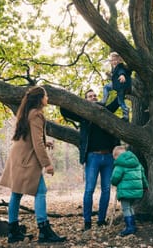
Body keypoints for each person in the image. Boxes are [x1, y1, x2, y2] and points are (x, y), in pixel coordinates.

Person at [0, 86, 66, 244]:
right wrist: (47, 164)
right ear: (40, 98)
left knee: (16, 194)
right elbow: (36, 143)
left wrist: (45, 141)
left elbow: (31, 137)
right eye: (46, 96)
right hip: (26, 160)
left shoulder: (26, 112)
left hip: (18, 157)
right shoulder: (36, 114)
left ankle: (13, 231)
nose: (47, 98)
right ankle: (44, 231)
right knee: (40, 191)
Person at [60, 89, 120, 231]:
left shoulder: (105, 111)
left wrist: (121, 84)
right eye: (90, 97)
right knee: (89, 190)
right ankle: (87, 222)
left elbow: (117, 102)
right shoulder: (83, 115)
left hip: (108, 158)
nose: (93, 98)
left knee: (106, 190)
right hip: (93, 157)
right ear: (85, 100)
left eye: (95, 96)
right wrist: (66, 98)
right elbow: (65, 111)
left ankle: (101, 220)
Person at [111, 145, 148, 236]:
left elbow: (115, 178)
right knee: (130, 207)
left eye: (114, 158)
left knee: (126, 208)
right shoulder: (137, 163)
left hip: (125, 192)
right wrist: (145, 186)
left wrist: (114, 183)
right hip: (136, 192)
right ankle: (132, 225)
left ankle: (129, 227)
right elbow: (143, 176)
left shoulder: (120, 164)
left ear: (117, 156)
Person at [100, 52, 132, 121]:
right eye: (112, 60)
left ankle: (126, 114)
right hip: (116, 84)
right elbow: (114, 75)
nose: (114, 62)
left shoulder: (120, 66)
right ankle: (103, 101)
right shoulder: (114, 68)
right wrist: (109, 75)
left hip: (121, 86)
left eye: (116, 60)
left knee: (120, 101)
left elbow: (121, 71)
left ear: (119, 60)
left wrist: (122, 75)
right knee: (106, 87)